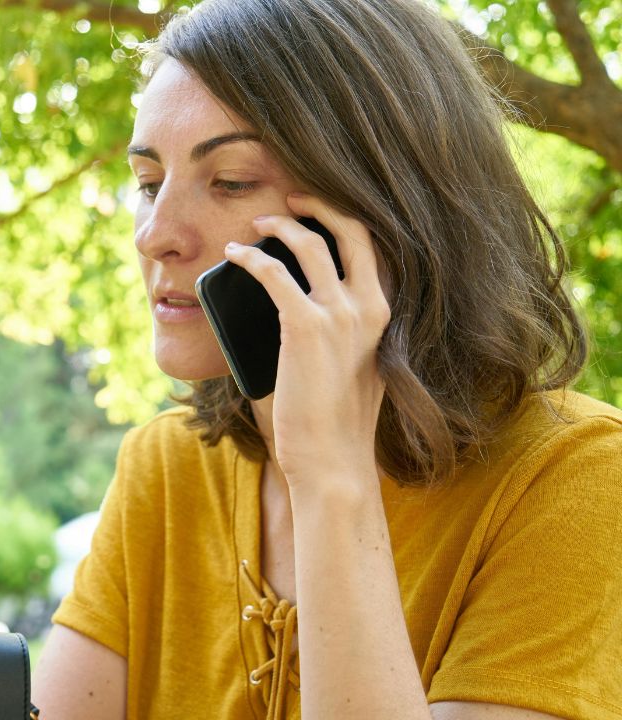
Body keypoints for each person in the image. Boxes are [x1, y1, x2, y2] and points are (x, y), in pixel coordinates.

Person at [30, 0, 622, 718]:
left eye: (231, 181)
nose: (156, 235)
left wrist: (330, 478)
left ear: (382, 210)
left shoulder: (580, 483)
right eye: (149, 184)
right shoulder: (167, 469)